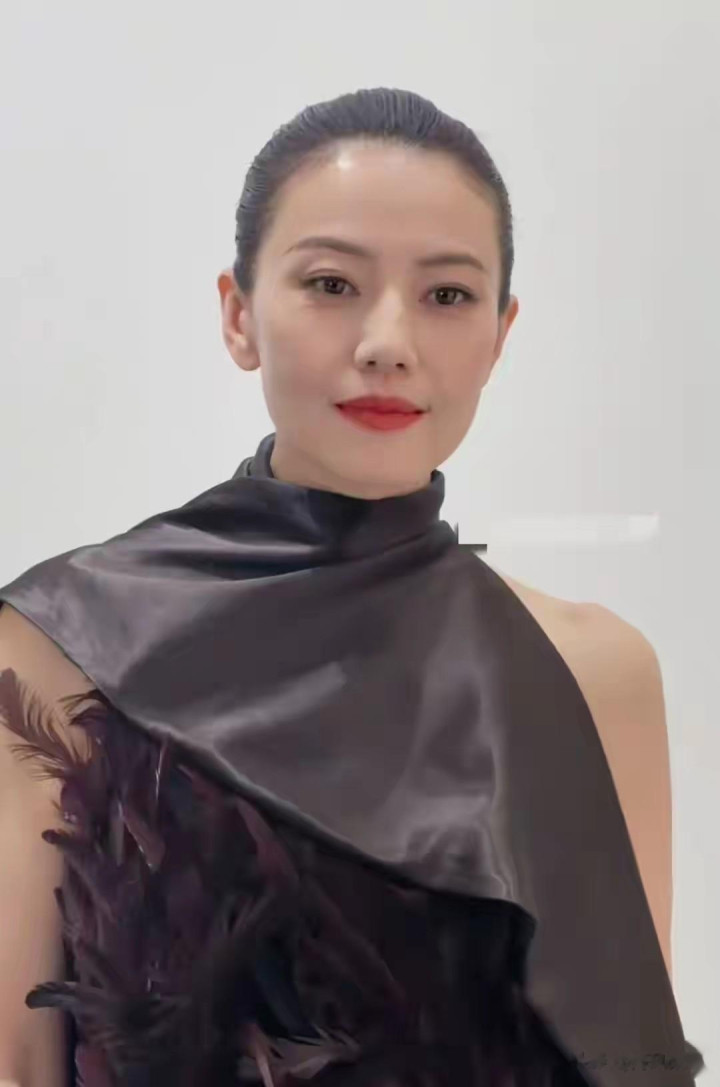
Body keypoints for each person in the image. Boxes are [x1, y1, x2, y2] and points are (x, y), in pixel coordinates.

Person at [0, 87, 703, 1087]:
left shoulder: (594, 672)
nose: (388, 341)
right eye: (331, 283)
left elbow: (633, 1065)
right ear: (238, 314)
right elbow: (17, 1059)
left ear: (500, 337)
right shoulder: (64, 640)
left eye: (447, 295)